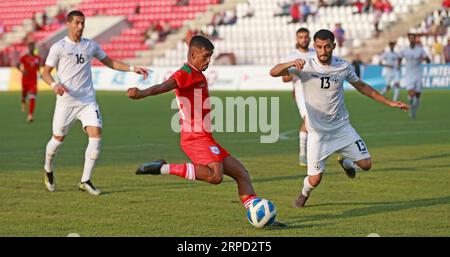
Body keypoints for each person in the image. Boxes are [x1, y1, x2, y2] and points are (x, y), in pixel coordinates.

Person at [127, 35, 285, 226]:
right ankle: (163, 168)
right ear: (193, 55)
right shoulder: (184, 73)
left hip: (204, 136)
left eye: (210, 56)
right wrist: (141, 93)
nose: (209, 61)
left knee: (241, 173)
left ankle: (260, 216)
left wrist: (190, 41)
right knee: (215, 176)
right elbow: (164, 86)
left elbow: (193, 52)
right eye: (206, 56)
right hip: (194, 136)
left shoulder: (194, 67)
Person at [269, 29, 409, 208]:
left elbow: (363, 87)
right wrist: (290, 63)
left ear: (333, 46)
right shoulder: (305, 65)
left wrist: (389, 102)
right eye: (319, 47)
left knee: (366, 164)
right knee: (315, 179)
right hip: (317, 133)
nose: (323, 51)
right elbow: (273, 72)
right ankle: (303, 195)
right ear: (315, 47)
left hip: (342, 128)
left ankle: (346, 161)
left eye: (327, 46)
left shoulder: (343, 66)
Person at [41, 10, 149, 195]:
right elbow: (45, 73)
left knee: (96, 136)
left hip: (87, 100)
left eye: (83, 23)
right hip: (66, 102)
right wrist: (54, 85)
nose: (80, 27)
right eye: (77, 23)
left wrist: (132, 68)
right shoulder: (58, 47)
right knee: (57, 140)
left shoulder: (90, 45)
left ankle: (85, 180)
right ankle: (48, 168)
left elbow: (110, 62)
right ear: (68, 24)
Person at [282, 27, 315, 167]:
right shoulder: (291, 56)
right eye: (301, 37)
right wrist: (295, 71)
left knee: (318, 123)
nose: (304, 39)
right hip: (301, 92)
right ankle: (303, 152)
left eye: (306, 37)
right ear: (297, 39)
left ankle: (314, 152)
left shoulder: (315, 53)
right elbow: (284, 78)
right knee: (309, 120)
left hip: (317, 92)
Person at [398, 33, 431, 119]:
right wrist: (398, 65)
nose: (412, 39)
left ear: (415, 39)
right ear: (408, 39)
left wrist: (425, 59)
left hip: (418, 74)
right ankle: (411, 107)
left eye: (413, 38)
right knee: (411, 94)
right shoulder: (405, 50)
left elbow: (428, 60)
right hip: (409, 75)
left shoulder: (420, 50)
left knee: (418, 96)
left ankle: (413, 111)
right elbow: (399, 57)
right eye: (410, 38)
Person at [17, 42, 42, 122]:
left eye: (33, 46)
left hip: (33, 81)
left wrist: (40, 74)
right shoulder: (24, 57)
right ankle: (23, 101)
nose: (31, 48)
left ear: (34, 47)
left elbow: (38, 67)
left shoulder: (38, 58)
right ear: (28, 48)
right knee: (24, 94)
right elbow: (17, 64)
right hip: (25, 80)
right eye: (30, 46)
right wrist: (22, 71)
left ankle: (30, 115)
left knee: (32, 96)